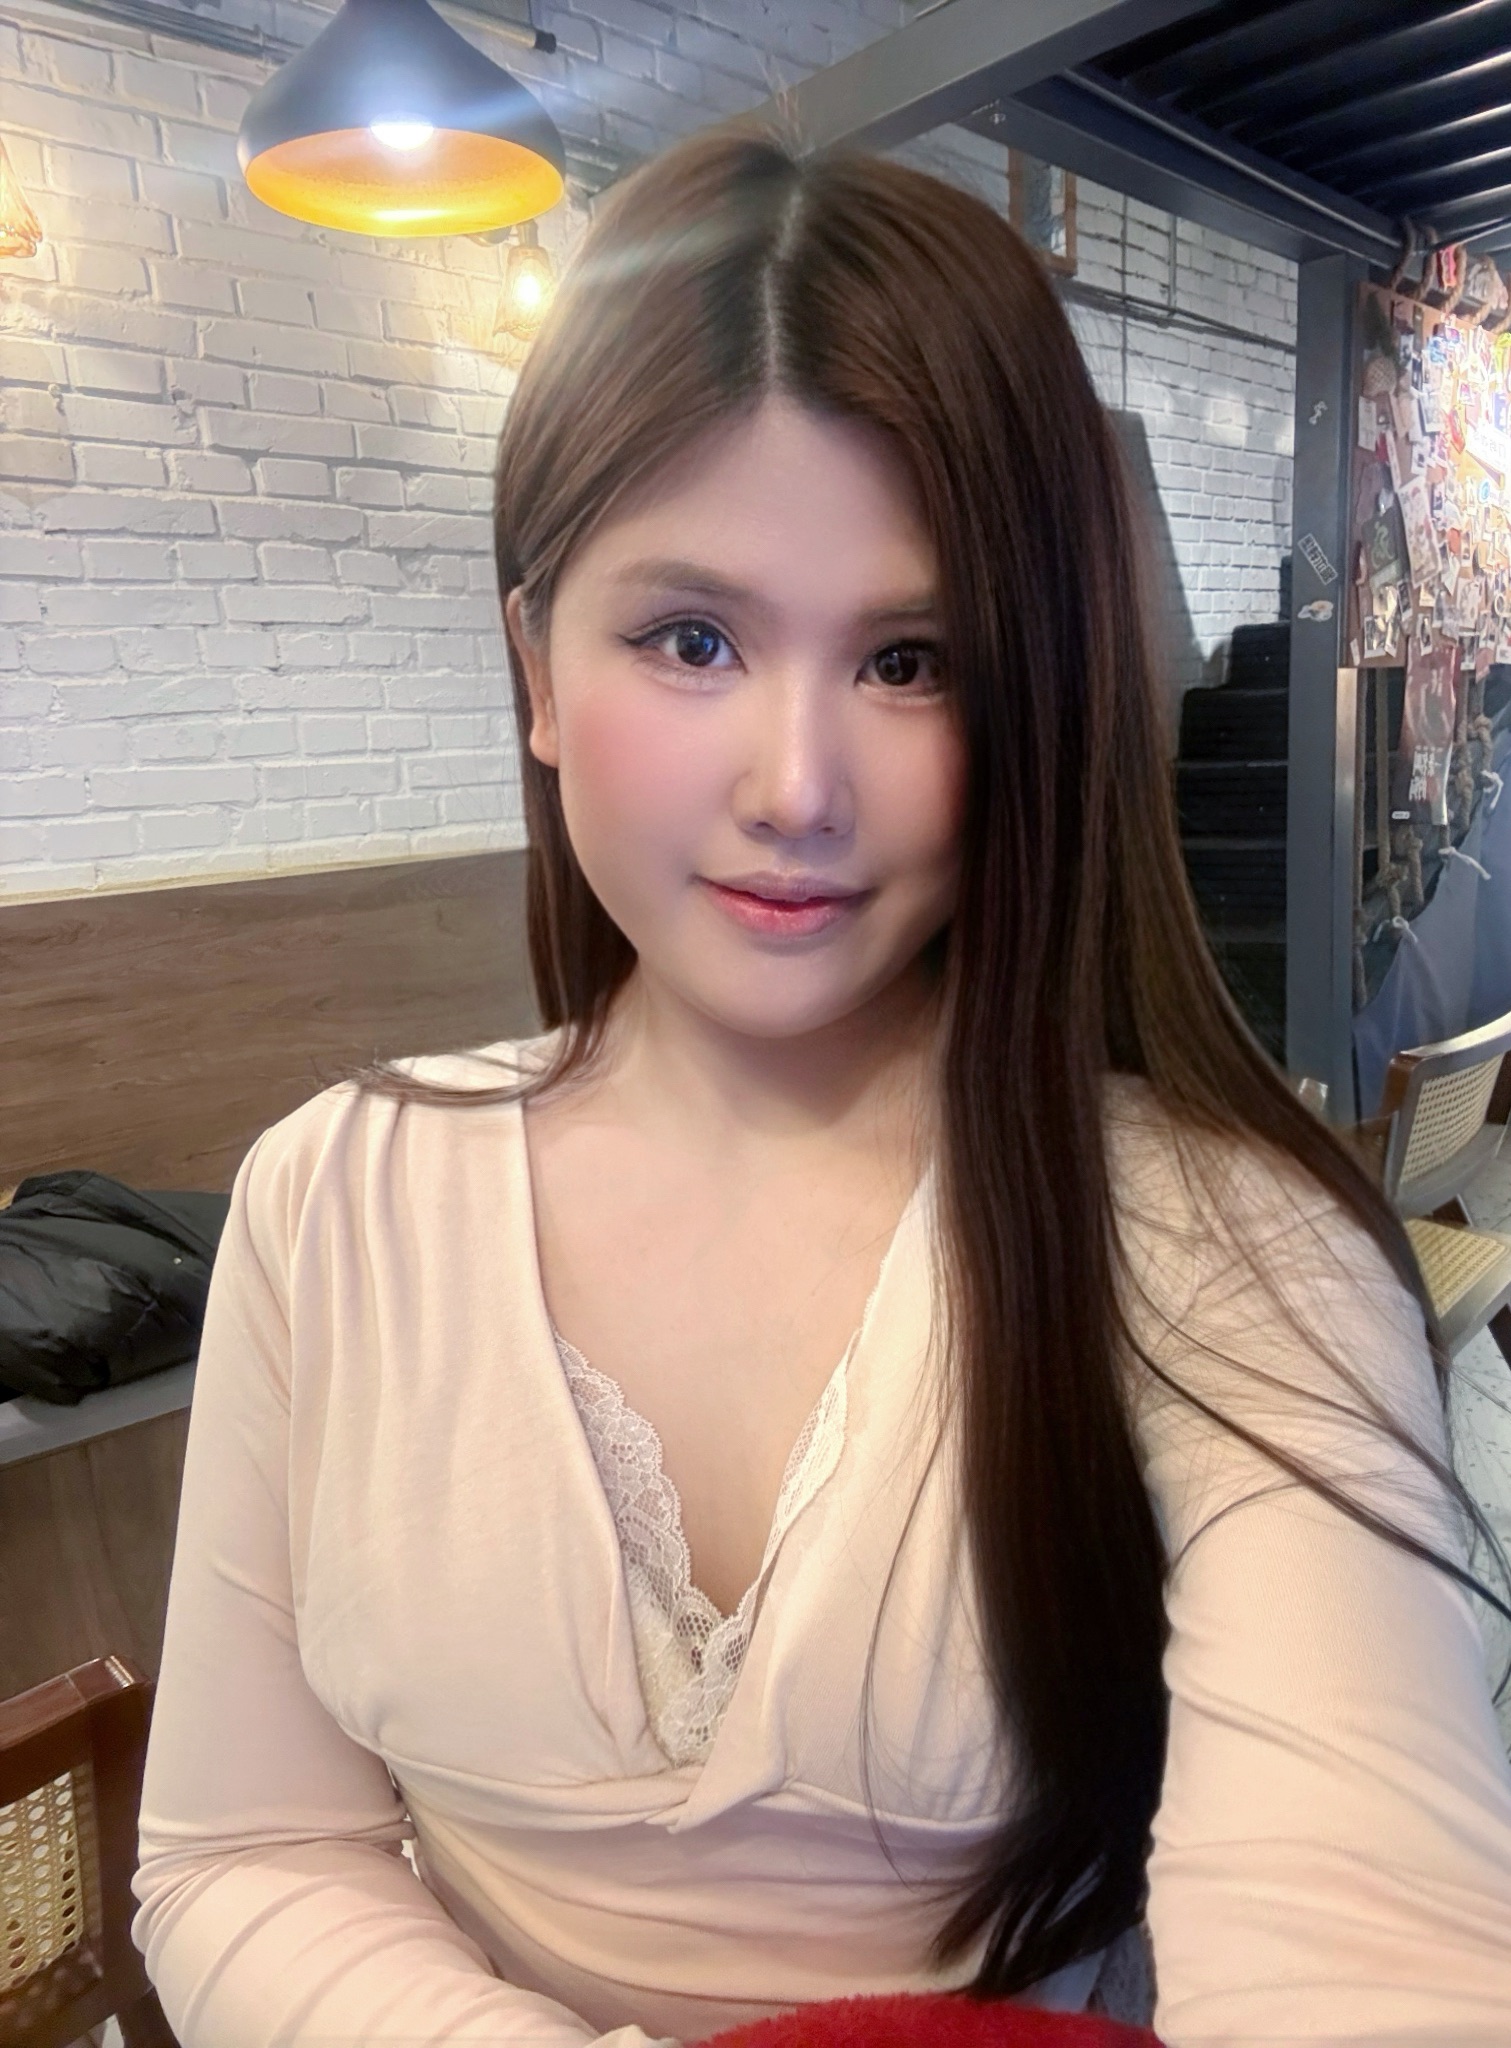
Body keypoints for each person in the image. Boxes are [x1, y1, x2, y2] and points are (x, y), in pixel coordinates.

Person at [131, 129, 1511, 2048]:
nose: (796, 787)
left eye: (910, 660)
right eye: (690, 639)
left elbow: (1367, 1948)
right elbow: (242, 1856)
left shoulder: (1227, 1249)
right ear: (537, 671)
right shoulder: (333, 1202)